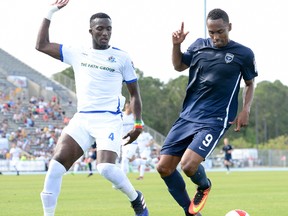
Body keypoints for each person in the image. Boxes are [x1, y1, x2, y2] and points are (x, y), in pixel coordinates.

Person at [35, 1, 148, 216]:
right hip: (83, 119)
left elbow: (134, 94)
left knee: (105, 168)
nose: (105, 33)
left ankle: (136, 199)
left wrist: (137, 123)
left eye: (108, 29)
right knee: (55, 167)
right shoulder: (77, 52)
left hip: (108, 120)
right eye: (100, 28)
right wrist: (50, 12)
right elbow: (41, 45)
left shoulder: (122, 58)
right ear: (91, 31)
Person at [156, 8, 257, 216]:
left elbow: (249, 83)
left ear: (229, 27)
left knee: (188, 166)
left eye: (220, 31)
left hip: (215, 119)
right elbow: (178, 66)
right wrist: (176, 45)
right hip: (188, 116)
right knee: (163, 168)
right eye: (211, 32)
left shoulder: (243, 54)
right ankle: (190, 212)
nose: (215, 37)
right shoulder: (199, 46)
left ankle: (204, 186)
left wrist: (246, 109)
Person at [121, 101, 139, 174]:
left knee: (125, 159)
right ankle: (145, 162)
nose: (129, 109)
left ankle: (121, 179)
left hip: (132, 142)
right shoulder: (120, 115)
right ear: (125, 107)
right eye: (127, 107)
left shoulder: (135, 116)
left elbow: (141, 127)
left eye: (131, 107)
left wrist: (133, 132)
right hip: (123, 142)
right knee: (132, 161)